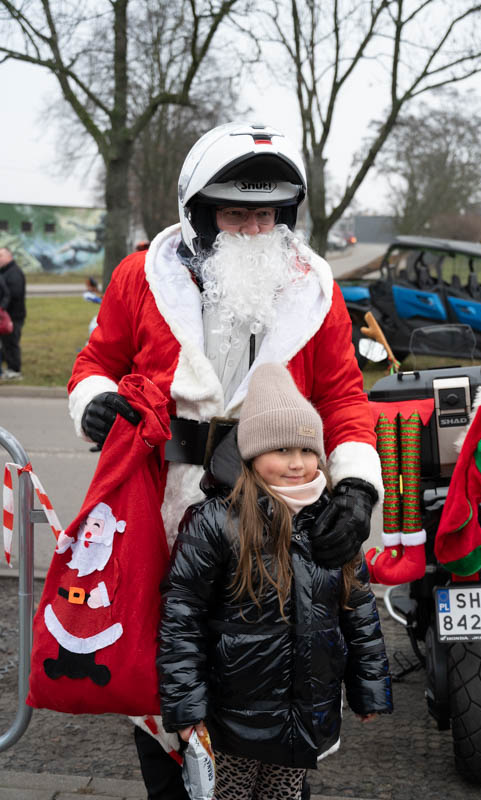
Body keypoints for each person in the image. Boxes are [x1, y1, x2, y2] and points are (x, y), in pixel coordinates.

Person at [67, 122, 384, 799]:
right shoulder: (140, 274)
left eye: (266, 213)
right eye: (235, 212)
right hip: (161, 506)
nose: (252, 228)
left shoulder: (315, 286)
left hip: (277, 510)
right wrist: (94, 401)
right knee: (164, 666)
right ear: (199, 212)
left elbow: (342, 396)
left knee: (270, 678)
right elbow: (96, 363)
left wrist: (356, 488)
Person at [157, 363, 392, 800]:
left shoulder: (332, 520)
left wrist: (369, 687)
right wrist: (186, 705)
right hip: (231, 721)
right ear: (251, 453)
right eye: (282, 450)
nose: (298, 463)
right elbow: (182, 615)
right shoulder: (215, 521)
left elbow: (358, 608)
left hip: (304, 718)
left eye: (306, 451)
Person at [0, 246, 26, 380]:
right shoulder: (5, 272)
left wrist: (3, 307)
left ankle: (15, 370)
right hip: (6, 315)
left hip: (13, 315)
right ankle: (9, 367)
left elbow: (14, 294)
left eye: (1, 255)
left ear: (9, 256)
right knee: (6, 343)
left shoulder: (14, 273)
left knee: (11, 343)